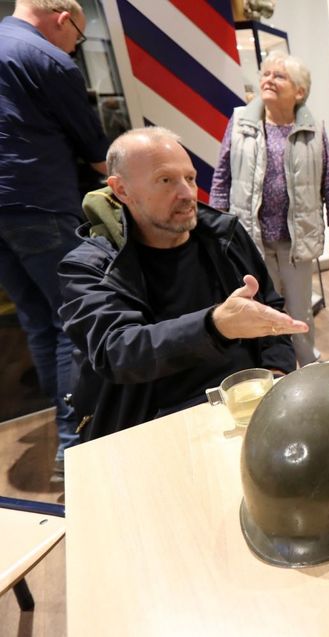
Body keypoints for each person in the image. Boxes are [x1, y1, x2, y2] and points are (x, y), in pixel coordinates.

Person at [58, 127, 307, 442]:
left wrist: (276, 374)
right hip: (154, 426)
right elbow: (117, 351)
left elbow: (270, 310)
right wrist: (215, 326)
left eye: (189, 178)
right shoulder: (88, 267)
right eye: (166, 181)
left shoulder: (224, 235)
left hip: (243, 406)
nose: (188, 193)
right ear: (121, 190)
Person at [0, 0, 109, 477]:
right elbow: (97, 152)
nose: (74, 47)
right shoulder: (48, 59)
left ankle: (65, 434)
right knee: (74, 321)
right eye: (78, 38)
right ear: (65, 20)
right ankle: (76, 443)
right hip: (40, 203)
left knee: (38, 321)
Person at [210, 51, 329, 366]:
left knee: (300, 313)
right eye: (265, 74)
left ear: (299, 91)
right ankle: (274, 370)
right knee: (262, 311)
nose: (267, 80)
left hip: (296, 241)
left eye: (278, 75)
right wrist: (215, 230)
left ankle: (309, 368)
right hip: (251, 238)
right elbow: (221, 178)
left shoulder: (315, 130)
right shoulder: (241, 121)